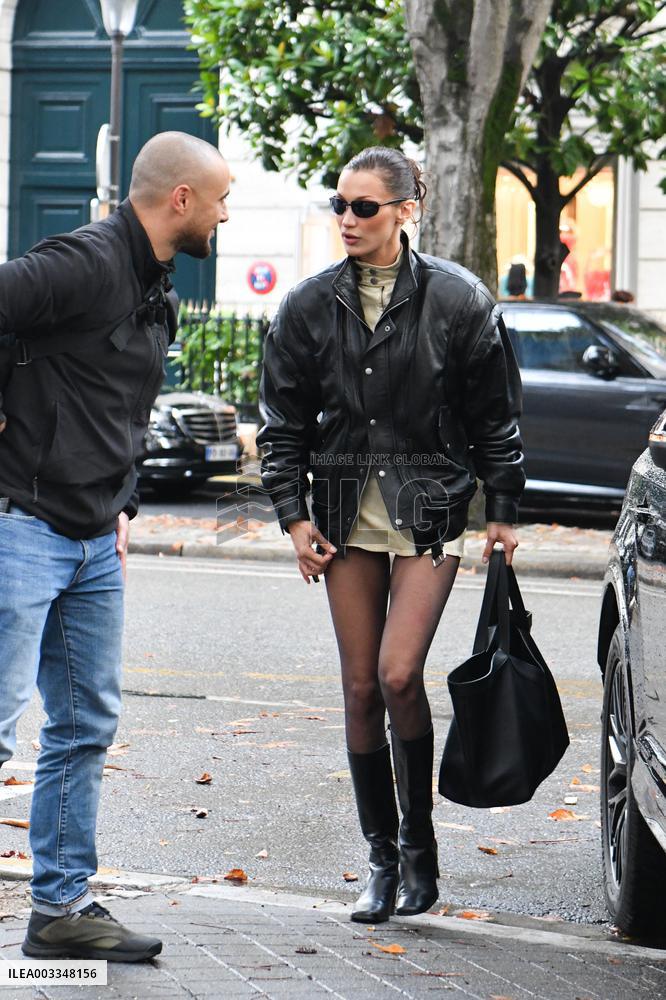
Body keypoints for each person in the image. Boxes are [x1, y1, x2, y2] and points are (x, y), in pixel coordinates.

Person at [257, 146, 524, 925]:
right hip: (342, 512)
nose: (346, 218)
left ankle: (420, 848)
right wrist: (294, 517)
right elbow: (282, 428)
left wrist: (502, 510)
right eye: (338, 203)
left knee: (401, 674)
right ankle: (379, 857)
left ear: (407, 211)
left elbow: (496, 417)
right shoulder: (307, 306)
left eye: (364, 207)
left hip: (429, 507)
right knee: (360, 685)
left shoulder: (460, 300)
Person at [0, 131, 230, 961]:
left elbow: (118, 403)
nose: (224, 213)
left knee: (84, 724)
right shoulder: (86, 261)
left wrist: (124, 501)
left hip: (95, 537)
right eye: (220, 198)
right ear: (180, 200)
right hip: (20, 523)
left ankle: (60, 909)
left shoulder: (150, 280)